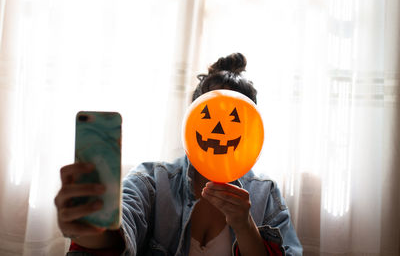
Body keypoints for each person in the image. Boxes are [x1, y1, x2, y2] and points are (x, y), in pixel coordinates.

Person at [55, 53, 303, 256]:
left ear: (251, 129)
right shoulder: (150, 180)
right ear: (191, 119)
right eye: (207, 115)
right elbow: (119, 232)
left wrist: (245, 225)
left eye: (234, 118)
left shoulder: (265, 193)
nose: (219, 130)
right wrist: (89, 226)